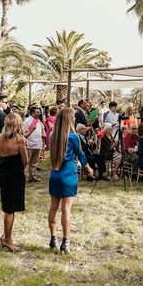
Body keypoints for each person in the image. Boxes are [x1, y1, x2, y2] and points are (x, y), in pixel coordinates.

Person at [48, 108, 93, 254]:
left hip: (54, 173)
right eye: (73, 117)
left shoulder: (53, 135)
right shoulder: (73, 137)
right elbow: (81, 155)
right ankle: (65, 241)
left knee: (54, 206)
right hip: (68, 174)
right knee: (66, 209)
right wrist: (88, 168)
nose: (75, 119)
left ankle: (53, 237)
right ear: (69, 119)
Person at [0, 112, 28, 252]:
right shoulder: (20, 140)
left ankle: (7, 235)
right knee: (10, 210)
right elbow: (25, 160)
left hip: (3, 172)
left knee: (7, 206)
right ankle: (8, 239)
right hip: (15, 175)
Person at [24, 106, 44, 183]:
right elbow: (25, 132)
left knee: (34, 162)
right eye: (37, 112)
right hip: (29, 144)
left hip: (37, 143)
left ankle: (33, 176)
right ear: (32, 113)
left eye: (39, 112)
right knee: (27, 161)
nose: (39, 113)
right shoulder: (27, 120)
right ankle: (26, 177)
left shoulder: (38, 120)